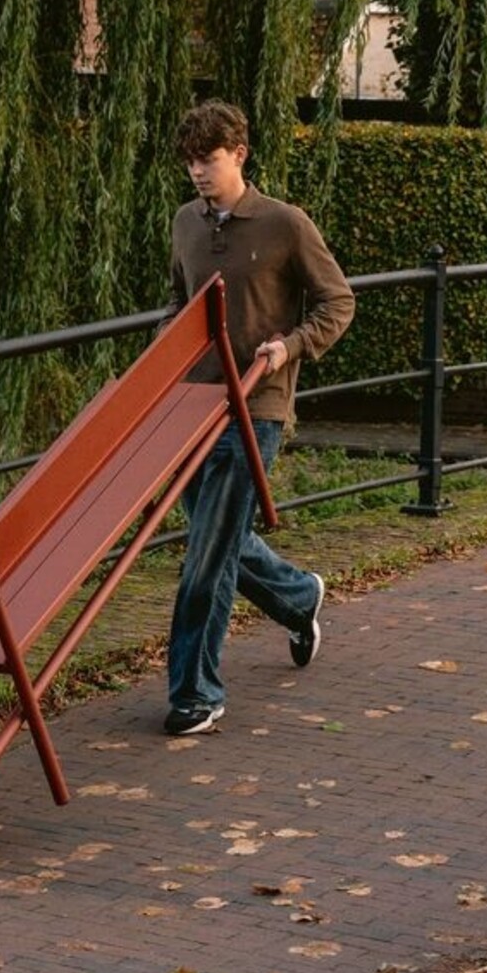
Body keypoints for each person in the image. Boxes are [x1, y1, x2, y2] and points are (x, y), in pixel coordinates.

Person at [163, 99, 355, 736]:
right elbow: (179, 308)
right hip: (193, 408)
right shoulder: (185, 224)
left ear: (239, 155)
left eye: (209, 160)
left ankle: (197, 693)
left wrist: (289, 347)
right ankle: (300, 597)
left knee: (207, 558)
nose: (197, 172)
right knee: (219, 542)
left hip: (257, 411)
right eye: (190, 161)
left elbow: (337, 302)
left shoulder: (285, 225)